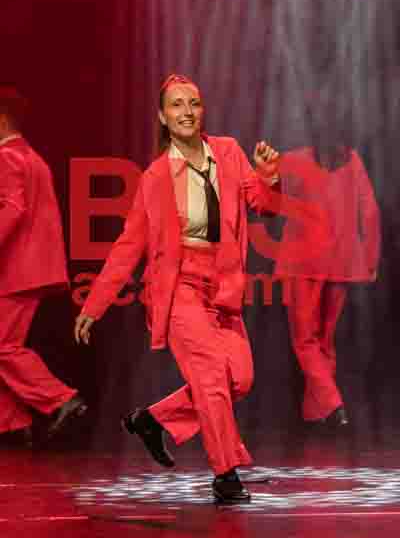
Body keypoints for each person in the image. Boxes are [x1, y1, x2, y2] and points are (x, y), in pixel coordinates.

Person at [74, 74, 326, 503]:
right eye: (176, 105)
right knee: (210, 378)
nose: (186, 112)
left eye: (193, 103)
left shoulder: (227, 152)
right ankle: (226, 474)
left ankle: (152, 420)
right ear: (163, 117)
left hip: (222, 285)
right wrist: (94, 305)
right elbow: (128, 246)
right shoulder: (155, 177)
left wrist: (268, 176)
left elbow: (263, 206)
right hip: (178, 288)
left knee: (239, 380)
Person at [275, 103, 381, 429]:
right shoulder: (353, 161)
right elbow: (370, 212)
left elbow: (266, 193)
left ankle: (331, 403)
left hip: (303, 261)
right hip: (342, 262)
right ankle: (316, 412)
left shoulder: (293, 161)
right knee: (324, 339)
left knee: (305, 340)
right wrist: (370, 259)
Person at [0, 86, 87, 447]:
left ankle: (61, 399)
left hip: (17, 268)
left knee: (3, 346)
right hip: (32, 266)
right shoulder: (31, 157)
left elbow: (13, 209)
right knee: (5, 346)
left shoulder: (7, 157)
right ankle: (12, 425)